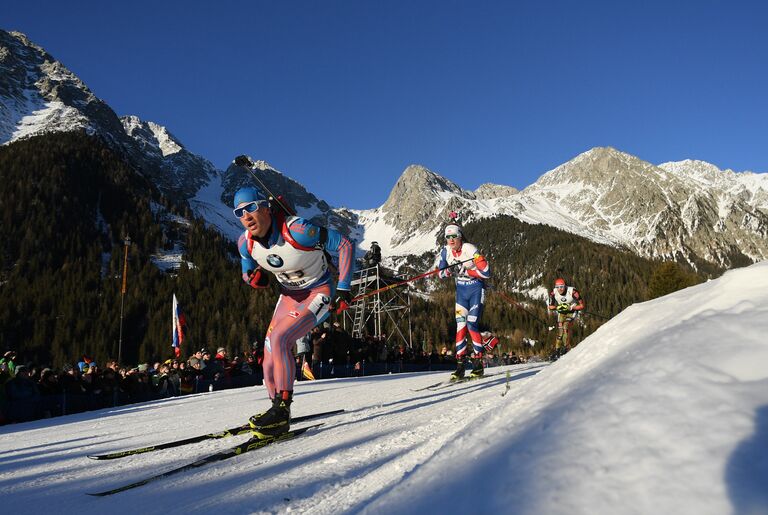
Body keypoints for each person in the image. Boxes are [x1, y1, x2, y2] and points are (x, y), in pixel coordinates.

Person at [235, 185, 355, 438]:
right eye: (239, 212)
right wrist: (252, 278)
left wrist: (344, 287)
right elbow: (246, 270)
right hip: (289, 296)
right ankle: (276, 412)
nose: (246, 216)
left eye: (251, 208)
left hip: (318, 292)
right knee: (268, 357)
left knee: (281, 339)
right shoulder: (245, 243)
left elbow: (344, 244)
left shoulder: (299, 230)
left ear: (265, 207)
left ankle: (282, 408)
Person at [434, 223, 492, 380]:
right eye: (448, 237)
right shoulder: (446, 251)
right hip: (461, 292)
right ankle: (460, 366)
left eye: (454, 237)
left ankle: (478, 365)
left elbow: (486, 272)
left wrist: (466, 270)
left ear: (460, 237)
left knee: (472, 323)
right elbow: (441, 274)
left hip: (475, 289)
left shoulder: (469, 249)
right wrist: (449, 270)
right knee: (460, 325)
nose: (451, 240)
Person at [547, 277, 585, 357]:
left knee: (566, 326)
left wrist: (572, 307)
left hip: (572, 312)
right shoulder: (553, 293)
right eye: (557, 287)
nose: (560, 289)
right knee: (560, 332)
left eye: (562, 287)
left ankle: (566, 348)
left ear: (565, 286)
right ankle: (557, 350)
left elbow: (582, 305)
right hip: (562, 312)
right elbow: (550, 307)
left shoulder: (573, 292)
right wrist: (559, 307)